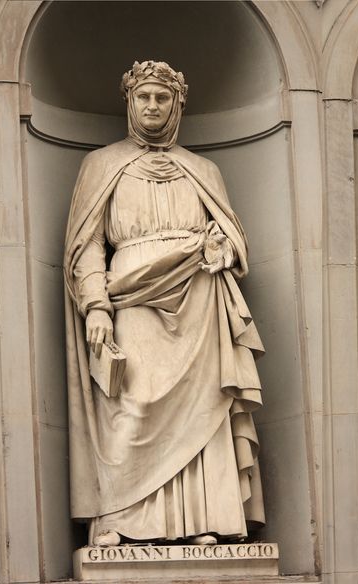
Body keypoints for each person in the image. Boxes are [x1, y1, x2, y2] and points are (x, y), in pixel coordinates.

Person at [64, 61, 265, 547]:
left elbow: (236, 241)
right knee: (132, 404)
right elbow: (86, 245)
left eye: (162, 98)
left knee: (204, 407)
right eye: (144, 97)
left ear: (178, 104)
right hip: (131, 296)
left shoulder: (203, 170)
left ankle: (201, 520)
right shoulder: (102, 164)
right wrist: (95, 305)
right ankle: (118, 516)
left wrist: (220, 247)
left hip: (198, 299)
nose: (152, 106)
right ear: (129, 102)